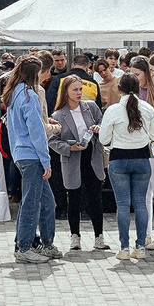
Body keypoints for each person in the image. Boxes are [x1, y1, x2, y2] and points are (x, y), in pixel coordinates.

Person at [99, 67, 154, 258]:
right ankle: (141, 246)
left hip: (118, 159)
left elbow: (103, 138)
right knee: (141, 204)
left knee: (123, 204)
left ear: (119, 89)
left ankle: (124, 248)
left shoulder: (113, 110)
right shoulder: (148, 108)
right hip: (142, 159)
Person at [2, 58, 55, 263]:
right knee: (32, 203)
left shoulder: (14, 93)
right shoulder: (29, 95)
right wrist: (46, 159)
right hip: (31, 154)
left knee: (46, 201)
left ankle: (43, 243)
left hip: (21, 153)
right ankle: (24, 248)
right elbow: (36, 130)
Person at [49, 77, 108, 252]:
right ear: (65, 91)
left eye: (80, 89)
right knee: (73, 199)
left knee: (95, 198)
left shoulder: (91, 107)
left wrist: (98, 128)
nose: (79, 93)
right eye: (75, 90)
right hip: (73, 158)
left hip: (92, 157)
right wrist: (68, 147)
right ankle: (75, 236)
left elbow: (102, 122)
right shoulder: (58, 115)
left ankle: (99, 236)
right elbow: (52, 140)